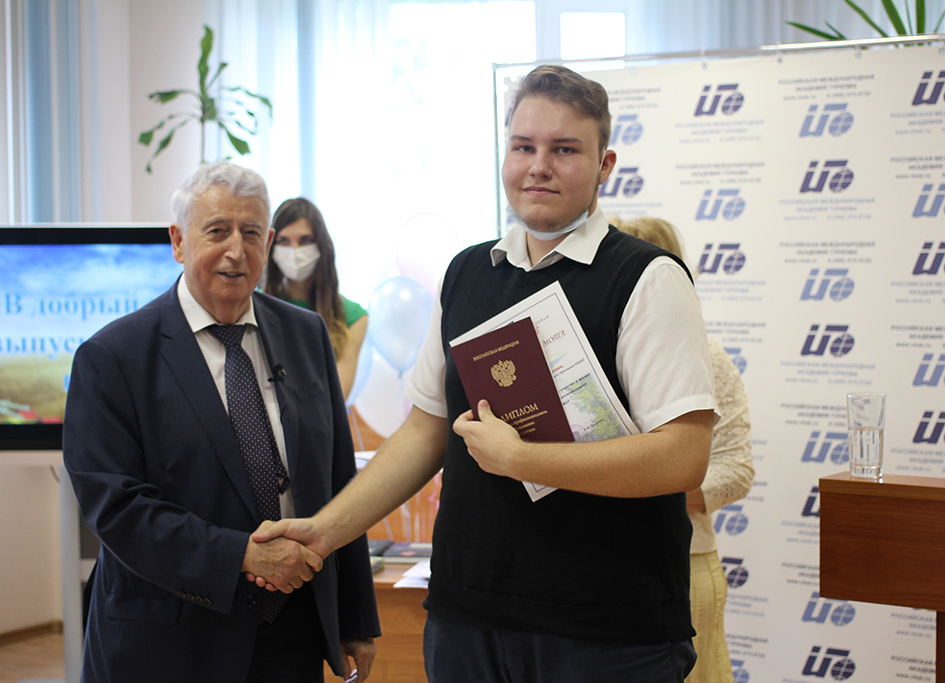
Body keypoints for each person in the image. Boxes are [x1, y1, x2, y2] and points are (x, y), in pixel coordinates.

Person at [254, 65, 718, 682]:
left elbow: (682, 456)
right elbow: (424, 432)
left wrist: (522, 459)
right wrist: (323, 533)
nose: (538, 167)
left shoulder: (647, 278)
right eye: (523, 147)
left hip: (606, 631)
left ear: (605, 165)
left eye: (564, 150)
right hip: (467, 619)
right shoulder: (467, 274)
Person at [63, 161, 380, 683]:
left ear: (268, 243)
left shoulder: (306, 335)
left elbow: (338, 480)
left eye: (251, 233)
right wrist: (241, 557)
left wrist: (354, 619)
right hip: (171, 642)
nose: (236, 250)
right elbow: (116, 509)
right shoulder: (113, 357)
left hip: (292, 633)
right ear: (178, 241)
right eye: (217, 231)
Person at [614, 216, 754, 683]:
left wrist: (638, 484)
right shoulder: (586, 360)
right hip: (595, 574)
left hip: (683, 567)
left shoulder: (706, 357)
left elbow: (735, 471)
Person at [263, 198, 368, 401]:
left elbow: (337, 398)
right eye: (283, 241)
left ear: (322, 244)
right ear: (271, 246)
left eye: (305, 240)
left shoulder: (353, 316)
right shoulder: (253, 305)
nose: (294, 250)